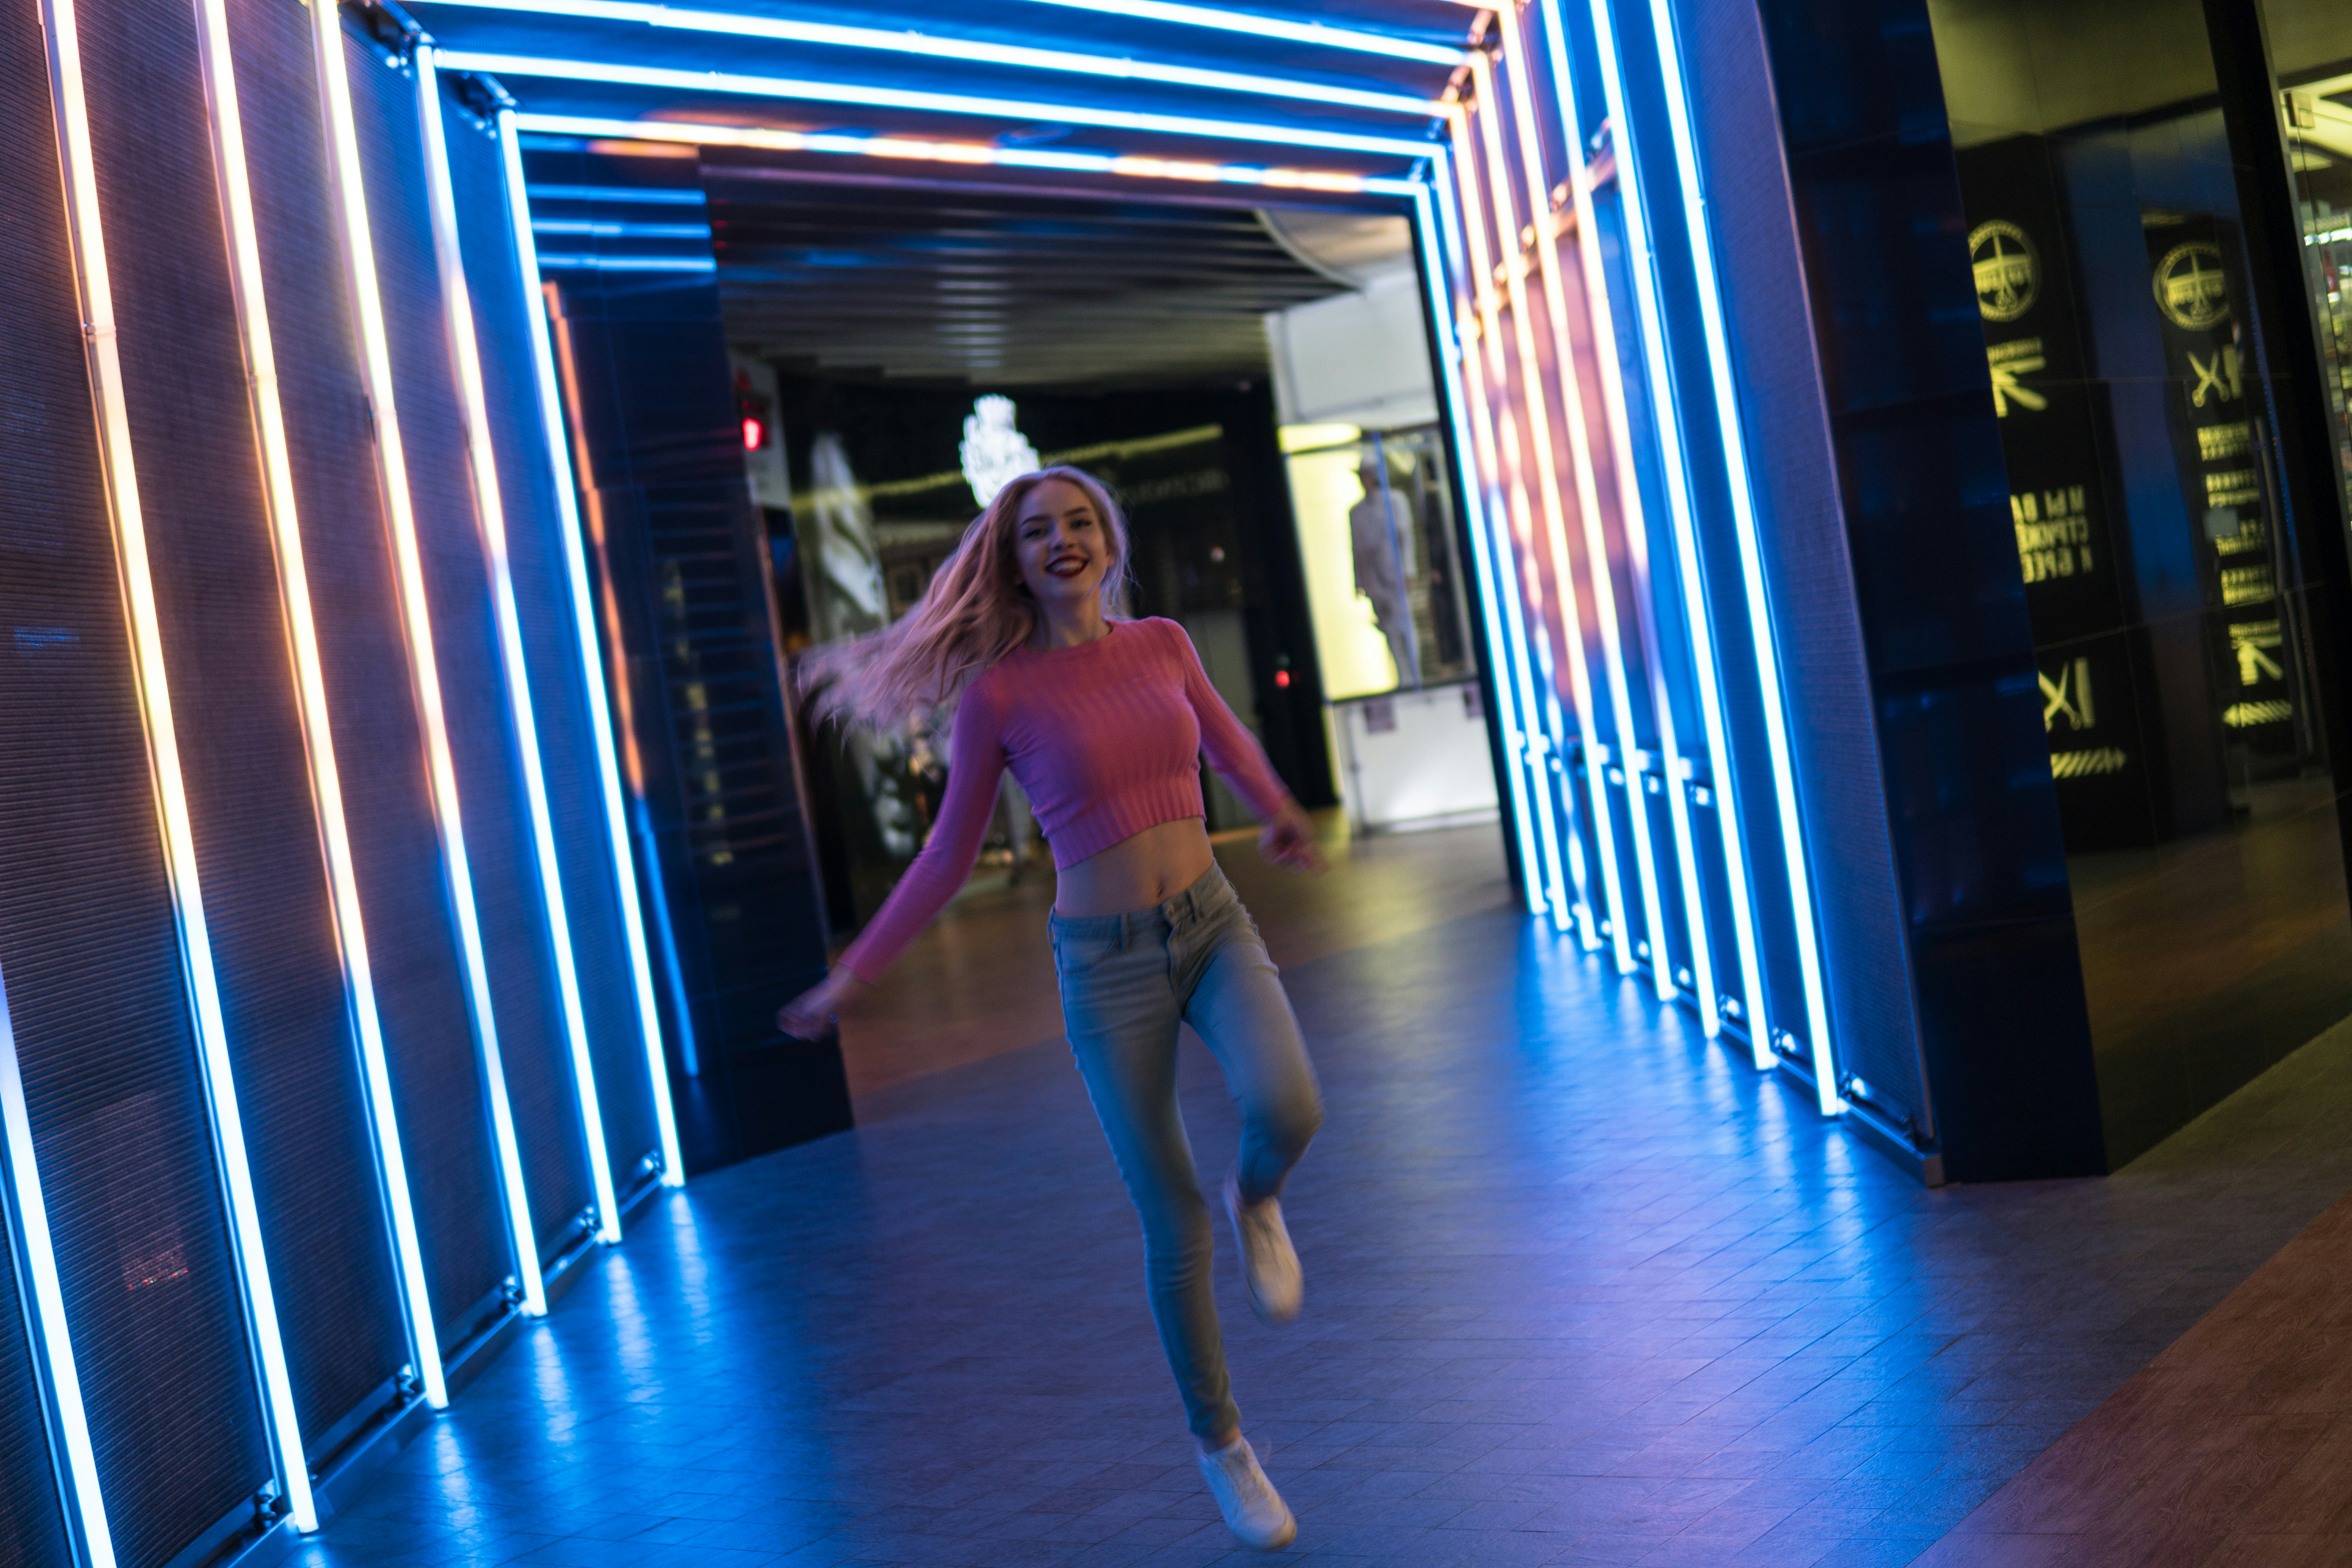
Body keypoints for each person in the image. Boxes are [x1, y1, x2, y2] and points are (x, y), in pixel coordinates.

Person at [779, 466, 1325, 1552]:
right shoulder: (1001, 694)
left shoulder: (1163, 643)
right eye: (1039, 531)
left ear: (1108, 540)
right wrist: (855, 977)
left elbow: (1225, 739)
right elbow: (944, 856)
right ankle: (1224, 1445)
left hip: (1210, 924)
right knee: (1168, 1220)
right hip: (1106, 966)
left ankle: (1256, 1200)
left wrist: (1275, 810)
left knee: (1292, 1108)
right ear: (1015, 559)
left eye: (1080, 523)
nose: (1063, 542)